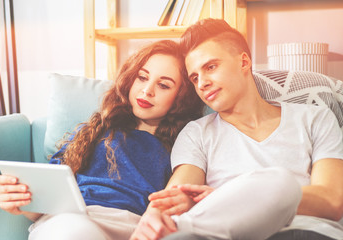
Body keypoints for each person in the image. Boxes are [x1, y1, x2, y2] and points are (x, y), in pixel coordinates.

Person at [130, 19, 343, 240]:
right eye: (195, 78)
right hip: (231, 234)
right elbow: (174, 197)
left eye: (211, 67)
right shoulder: (196, 133)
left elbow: (332, 200)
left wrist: (233, 197)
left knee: (281, 183)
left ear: (243, 62)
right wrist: (154, 215)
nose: (202, 83)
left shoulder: (314, 117)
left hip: (303, 232)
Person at [0, 40, 205, 240]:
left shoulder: (184, 143)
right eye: (142, 77)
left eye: (164, 85)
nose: (147, 90)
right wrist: (20, 200)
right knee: (72, 231)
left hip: (131, 227)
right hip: (68, 220)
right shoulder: (95, 131)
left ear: (181, 97)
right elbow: (47, 203)